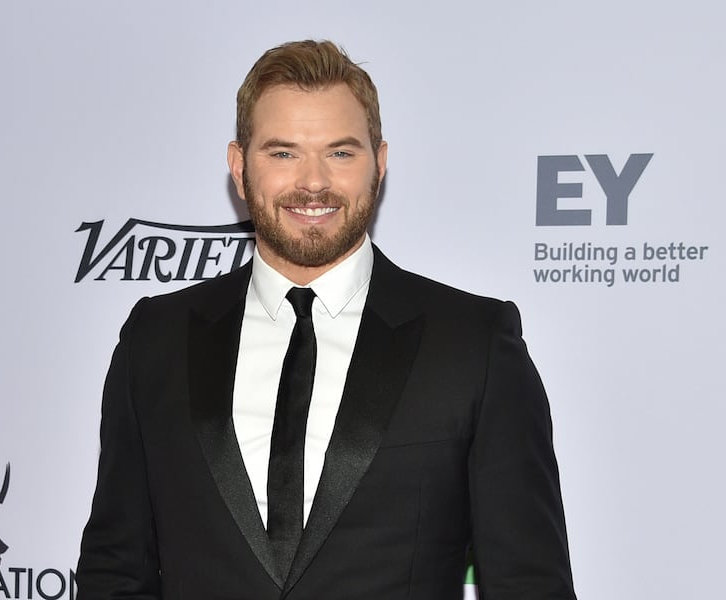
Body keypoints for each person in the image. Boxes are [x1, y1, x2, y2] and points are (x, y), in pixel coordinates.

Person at [76, 40, 576, 599]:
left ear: (379, 164)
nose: (312, 182)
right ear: (239, 168)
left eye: (340, 153)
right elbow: (116, 571)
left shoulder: (473, 346)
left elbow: (531, 583)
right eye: (283, 153)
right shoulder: (156, 339)